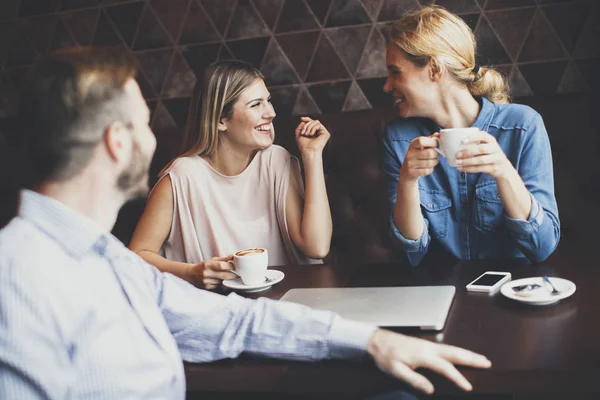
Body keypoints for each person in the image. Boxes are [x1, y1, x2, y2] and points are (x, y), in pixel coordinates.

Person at [0, 47, 491, 398]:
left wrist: (373, 341)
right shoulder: (16, 280)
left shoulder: (109, 262)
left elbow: (236, 321)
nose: (155, 138)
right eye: (145, 121)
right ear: (118, 142)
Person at [381, 6, 560, 267]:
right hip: (439, 294)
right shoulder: (398, 139)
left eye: (395, 72)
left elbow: (542, 247)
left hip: (512, 292)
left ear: (434, 69)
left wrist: (504, 173)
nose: (387, 86)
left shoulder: (523, 126)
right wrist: (407, 181)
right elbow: (411, 255)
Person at [129, 60, 332, 290]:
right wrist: (192, 272)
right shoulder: (182, 177)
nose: (271, 113)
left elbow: (317, 247)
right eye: (256, 104)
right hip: (216, 307)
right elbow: (136, 257)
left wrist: (313, 156)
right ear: (220, 120)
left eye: (268, 101)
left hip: (285, 300)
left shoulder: (276, 160)